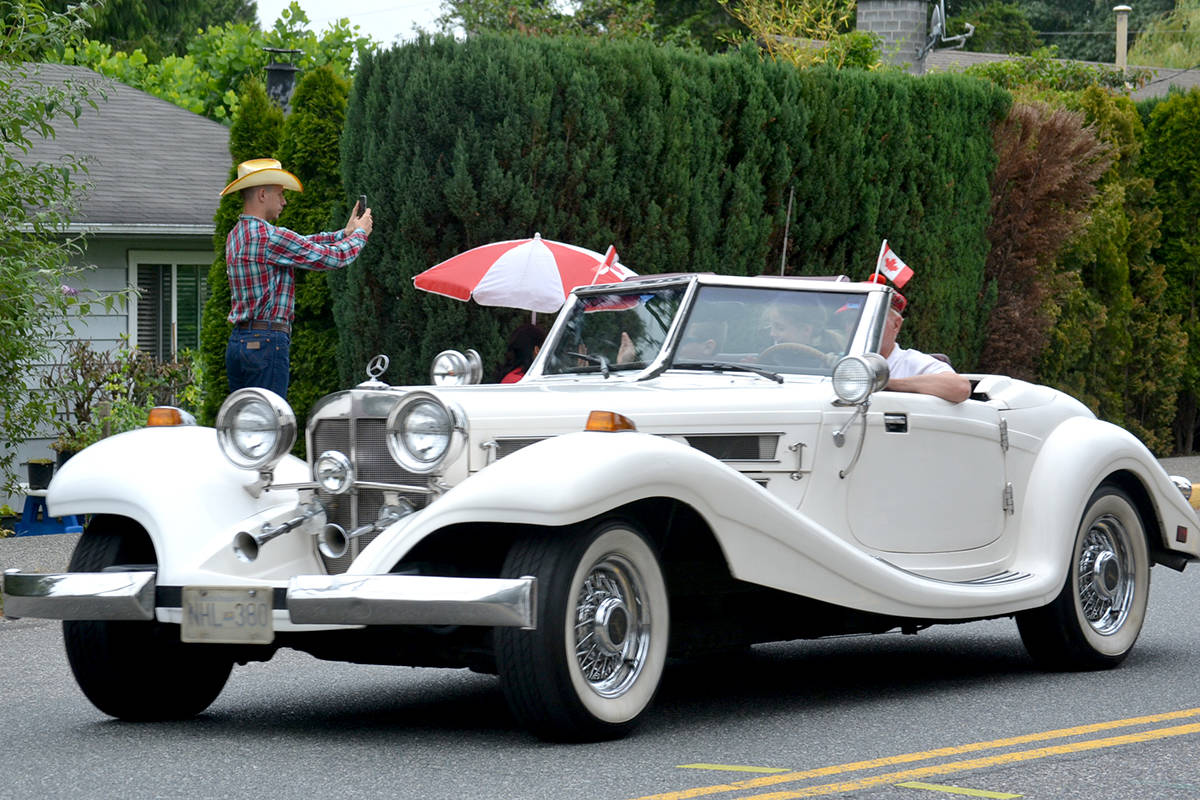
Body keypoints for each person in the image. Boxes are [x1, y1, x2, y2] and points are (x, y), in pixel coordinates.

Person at [220, 158, 373, 398]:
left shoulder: (236, 235)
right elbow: (333, 258)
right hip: (268, 342)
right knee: (271, 424)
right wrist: (360, 235)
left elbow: (303, 243)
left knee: (245, 424)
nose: (285, 201)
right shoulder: (268, 237)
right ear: (262, 194)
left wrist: (344, 233)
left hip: (239, 342)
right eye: (280, 194)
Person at [878, 289, 971, 403]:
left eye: (873, 320)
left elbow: (960, 387)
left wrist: (885, 384)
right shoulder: (849, 358)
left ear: (896, 325)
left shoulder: (911, 362)